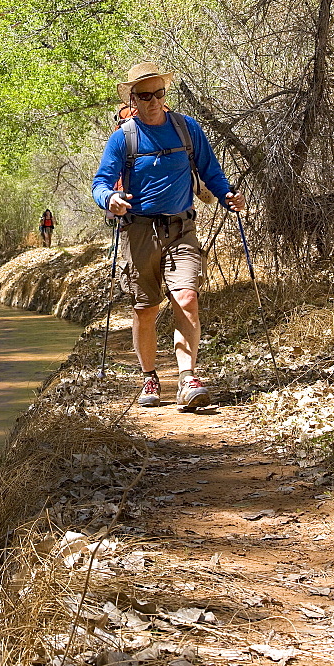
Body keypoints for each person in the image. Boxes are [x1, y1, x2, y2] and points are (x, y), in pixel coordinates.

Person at [91, 61, 246, 410]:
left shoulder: (187, 129)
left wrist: (228, 196)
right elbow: (100, 182)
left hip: (181, 227)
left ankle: (188, 378)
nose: (152, 101)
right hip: (139, 231)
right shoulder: (123, 138)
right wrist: (110, 198)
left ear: (165, 93)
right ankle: (150, 377)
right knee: (146, 309)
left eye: (158, 93)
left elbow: (211, 171)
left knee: (187, 298)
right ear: (133, 97)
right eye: (144, 95)